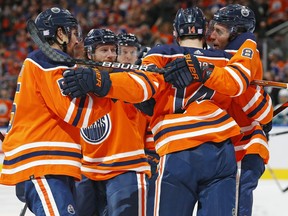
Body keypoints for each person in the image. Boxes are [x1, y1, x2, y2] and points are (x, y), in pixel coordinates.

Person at [62, 7, 256, 216]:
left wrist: (101, 81)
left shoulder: (163, 53)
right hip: (222, 150)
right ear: (205, 32)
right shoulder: (224, 58)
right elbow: (238, 81)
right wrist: (247, 41)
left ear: (175, 33)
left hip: (179, 148)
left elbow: (141, 87)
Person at [0, 7, 112, 216]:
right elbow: (75, 113)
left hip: (50, 162)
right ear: (60, 33)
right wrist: (107, 91)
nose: (78, 41)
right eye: (74, 33)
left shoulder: (48, 62)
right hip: (43, 162)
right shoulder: (47, 61)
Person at [201, 4, 273, 216]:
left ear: (236, 33)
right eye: (212, 28)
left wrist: (235, 85)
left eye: (219, 31)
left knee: (238, 195)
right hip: (223, 144)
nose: (212, 36)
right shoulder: (217, 55)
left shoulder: (246, 55)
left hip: (247, 142)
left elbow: (257, 109)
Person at [74, 28, 153, 216]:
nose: (110, 55)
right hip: (86, 169)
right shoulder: (77, 79)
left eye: (113, 50)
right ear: (90, 53)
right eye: (104, 50)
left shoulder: (128, 79)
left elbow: (150, 109)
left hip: (125, 168)